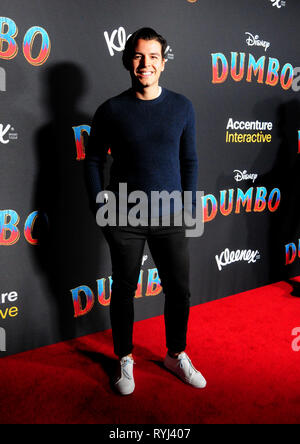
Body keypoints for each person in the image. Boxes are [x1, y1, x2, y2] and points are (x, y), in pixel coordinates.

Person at [85, 27, 206, 395]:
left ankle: (176, 354)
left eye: (153, 56)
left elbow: (189, 160)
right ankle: (124, 357)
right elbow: (92, 161)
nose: (146, 63)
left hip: (171, 215)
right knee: (123, 290)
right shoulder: (110, 109)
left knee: (179, 290)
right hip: (125, 217)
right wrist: (100, 205)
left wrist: (188, 205)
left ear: (163, 62)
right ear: (129, 60)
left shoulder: (182, 106)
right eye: (139, 56)